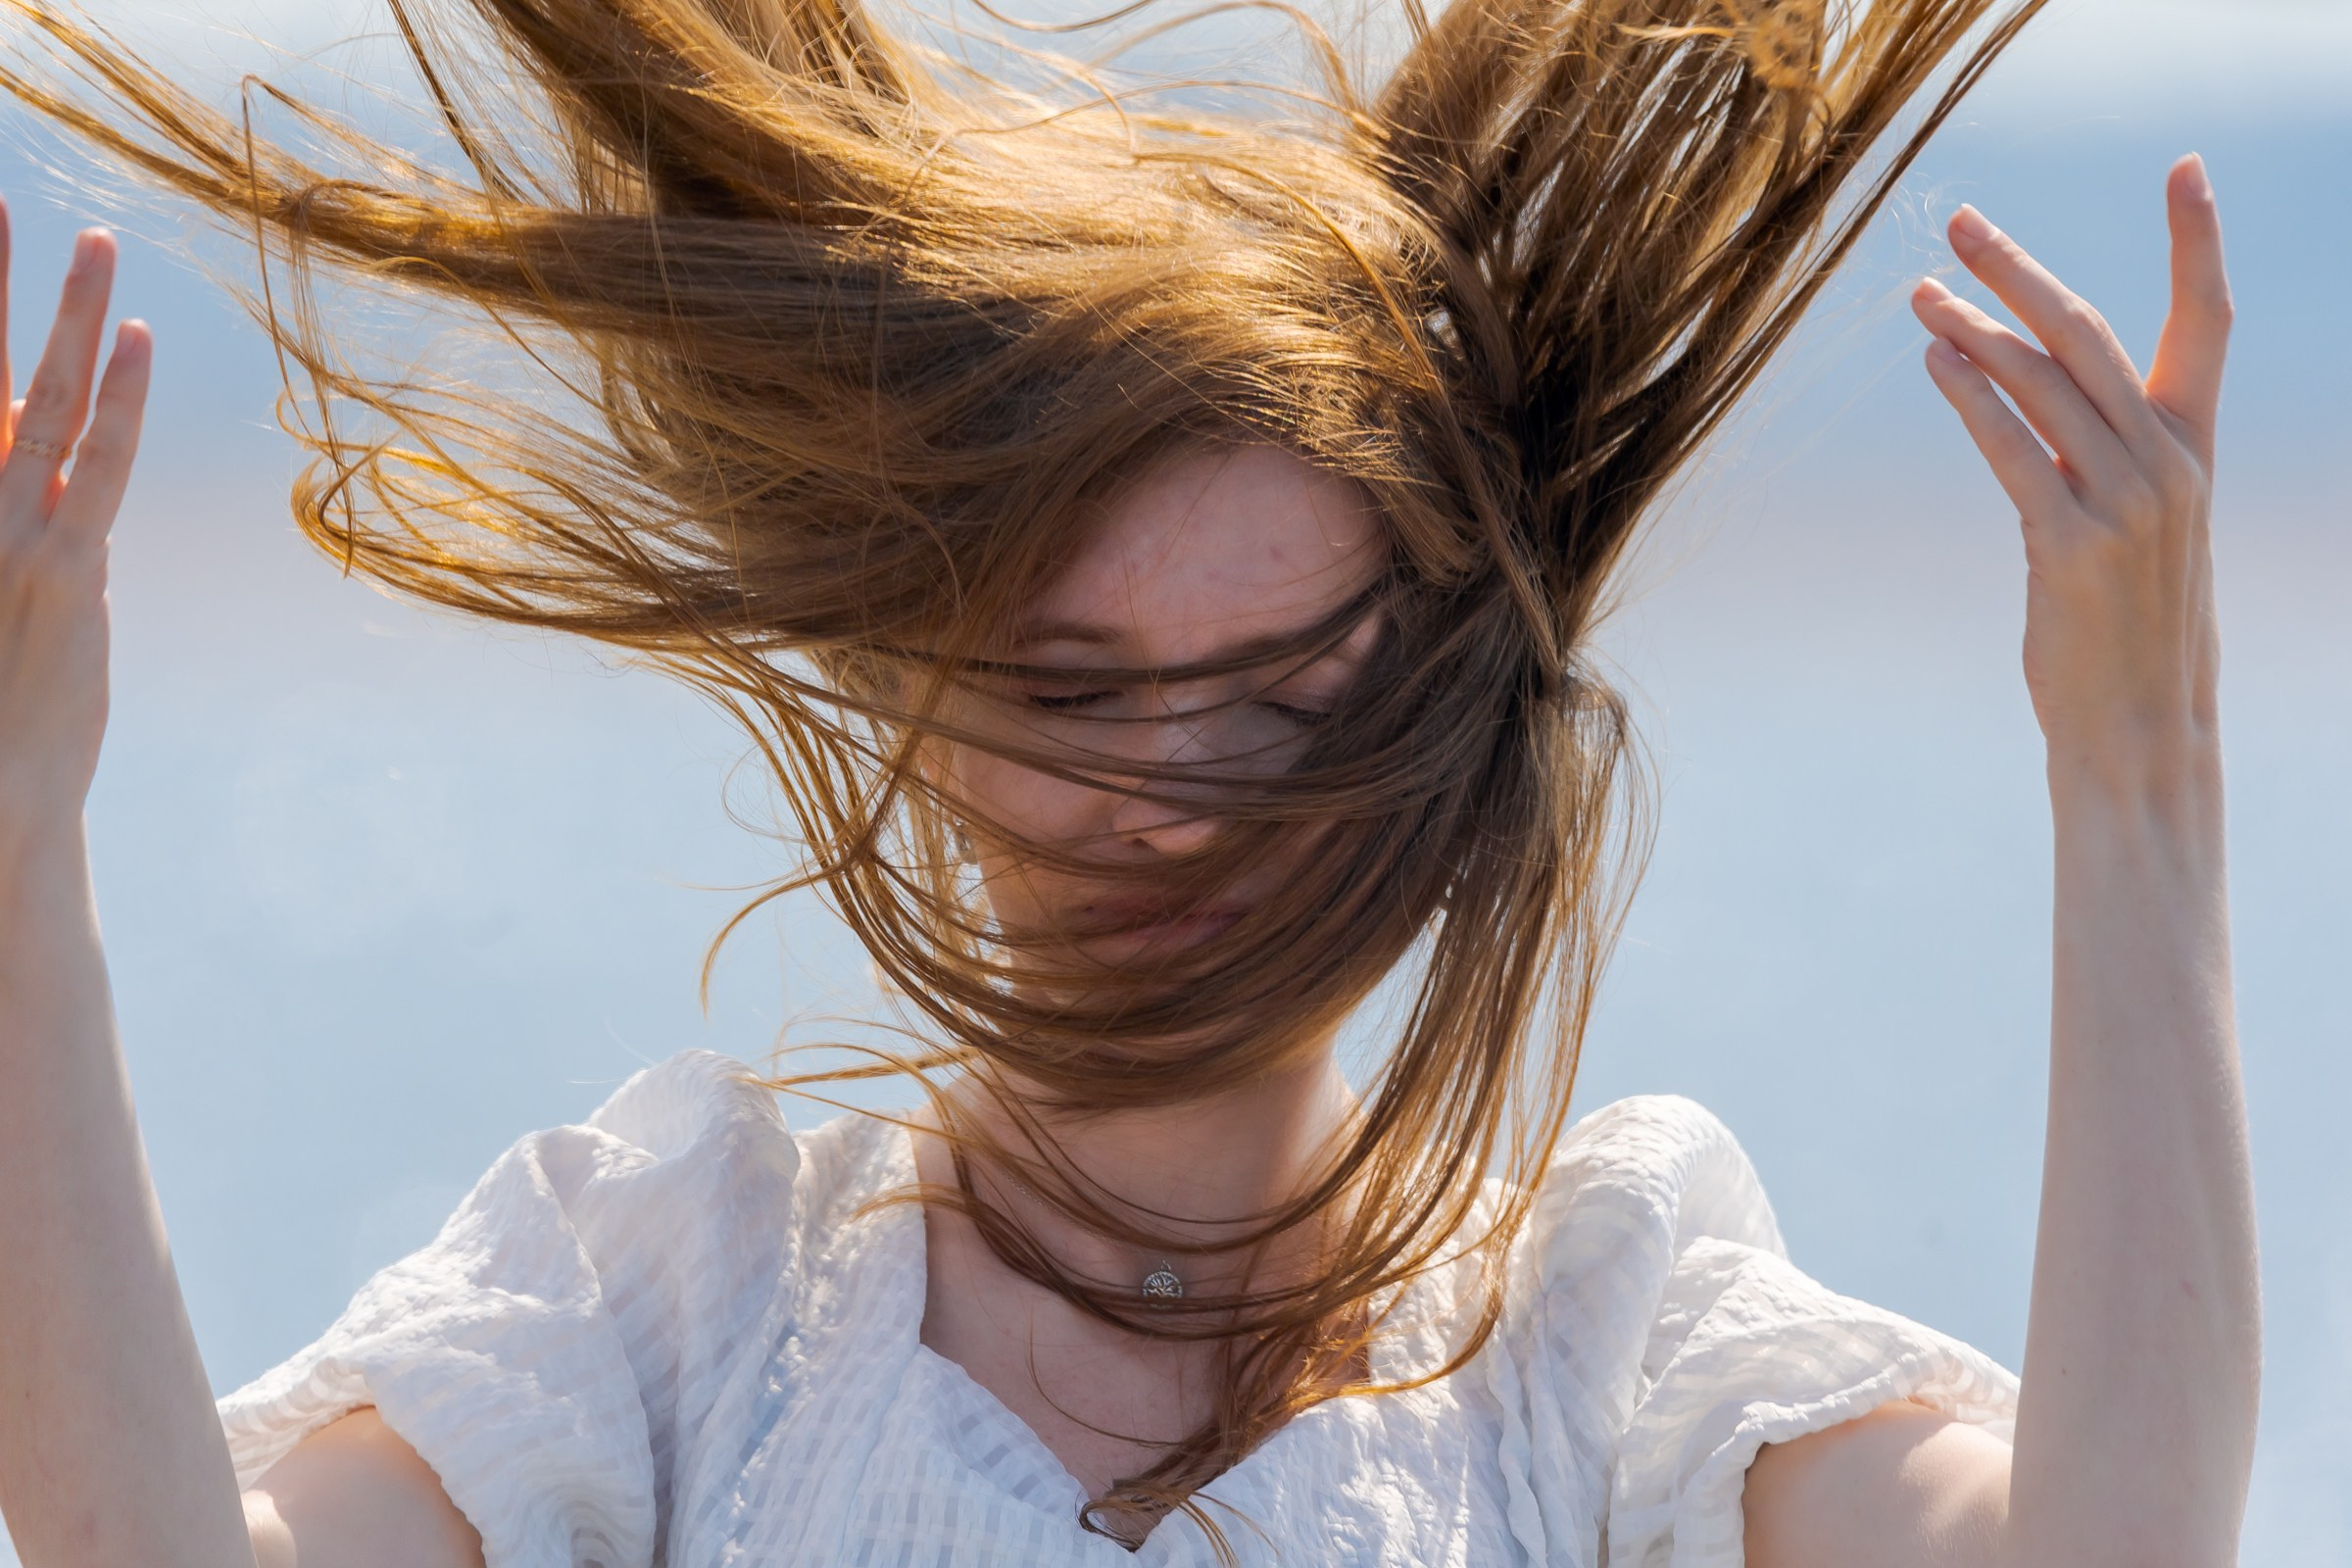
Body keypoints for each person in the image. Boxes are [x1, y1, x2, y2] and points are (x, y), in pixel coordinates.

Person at [0, 0, 2260, 1563]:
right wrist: (16, 852)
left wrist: (2135, 771)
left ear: (1436, 705)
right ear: (922, 700)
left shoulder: (1602, 1343)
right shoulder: (683, 1307)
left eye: (1282, 693)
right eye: (1078, 690)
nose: (1175, 796)